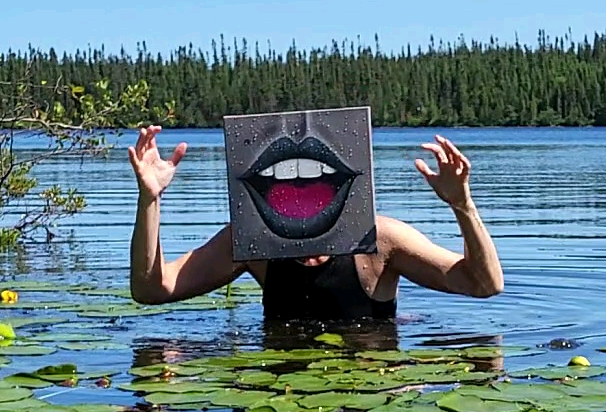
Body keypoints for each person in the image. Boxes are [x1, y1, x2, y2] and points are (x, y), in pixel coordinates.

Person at [127, 125, 504, 322]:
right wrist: (150, 199)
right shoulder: (253, 242)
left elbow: (484, 284)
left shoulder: (382, 242)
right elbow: (152, 289)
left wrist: (462, 203)